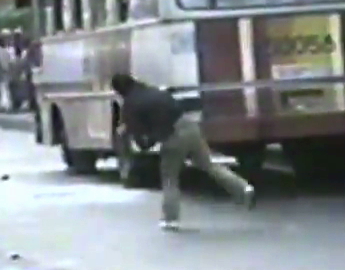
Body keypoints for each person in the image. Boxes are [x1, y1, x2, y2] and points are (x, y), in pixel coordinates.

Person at [110, 73, 256, 231]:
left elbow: (141, 139)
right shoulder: (153, 90)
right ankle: (243, 188)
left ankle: (170, 219)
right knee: (209, 165)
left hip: (172, 138)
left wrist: (132, 134)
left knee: (169, 177)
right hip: (190, 127)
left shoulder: (130, 105)